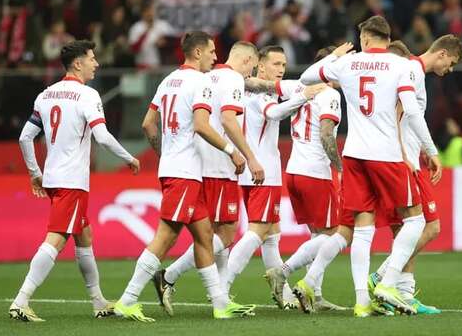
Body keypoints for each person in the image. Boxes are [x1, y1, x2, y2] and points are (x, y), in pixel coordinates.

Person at [295, 16, 441, 317]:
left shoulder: (348, 64)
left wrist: (335, 56)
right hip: (386, 154)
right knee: (415, 221)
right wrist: (431, 149)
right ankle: (387, 284)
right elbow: (412, 111)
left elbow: (308, 77)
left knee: (362, 229)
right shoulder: (401, 66)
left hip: (354, 154)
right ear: (387, 39)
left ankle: (362, 301)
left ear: (365, 38)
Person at [114, 32, 255, 321]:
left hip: (179, 170)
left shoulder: (168, 81)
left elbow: (148, 124)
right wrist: (232, 151)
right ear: (199, 52)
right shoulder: (200, 82)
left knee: (205, 236)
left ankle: (220, 303)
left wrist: (165, 154)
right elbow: (202, 125)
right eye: (213, 52)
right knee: (165, 238)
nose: (216, 57)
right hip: (185, 173)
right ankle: (127, 300)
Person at [11, 40, 140, 322]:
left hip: (54, 178)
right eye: (92, 58)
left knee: (84, 236)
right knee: (56, 238)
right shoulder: (87, 96)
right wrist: (128, 158)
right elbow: (102, 136)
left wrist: (35, 172)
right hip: (72, 181)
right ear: (78, 63)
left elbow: (25, 137)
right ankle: (21, 300)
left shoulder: (46, 95)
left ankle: (97, 302)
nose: (96, 63)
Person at [151, 41, 265, 316]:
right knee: (223, 235)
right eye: (254, 66)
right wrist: (247, 156)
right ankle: (169, 276)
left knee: (212, 233)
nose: (252, 72)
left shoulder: (207, 76)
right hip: (218, 166)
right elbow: (228, 120)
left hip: (198, 164)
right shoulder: (234, 79)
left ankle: (221, 298)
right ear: (248, 60)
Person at [220, 46, 325, 302]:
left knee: (271, 235)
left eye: (283, 64)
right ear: (261, 66)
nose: (280, 69)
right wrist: (303, 97)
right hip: (262, 171)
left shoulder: (246, 90)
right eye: (275, 64)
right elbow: (274, 113)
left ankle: (284, 293)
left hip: (251, 169)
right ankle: (221, 288)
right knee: (258, 230)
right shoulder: (263, 94)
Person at [370, 36, 462, 315]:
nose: (450, 69)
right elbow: (404, 113)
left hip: (408, 159)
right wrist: (413, 152)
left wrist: (418, 148)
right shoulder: (411, 70)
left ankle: (405, 293)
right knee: (429, 227)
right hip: (405, 163)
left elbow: (405, 118)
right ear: (443, 54)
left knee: (405, 230)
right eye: (452, 63)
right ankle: (382, 276)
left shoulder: (412, 71)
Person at [264, 44, 353, 312]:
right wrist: (338, 166)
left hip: (293, 171)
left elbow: (265, 86)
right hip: (315, 173)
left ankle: (314, 294)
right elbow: (327, 134)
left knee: (318, 235)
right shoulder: (330, 95)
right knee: (334, 234)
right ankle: (284, 270)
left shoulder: (298, 88)